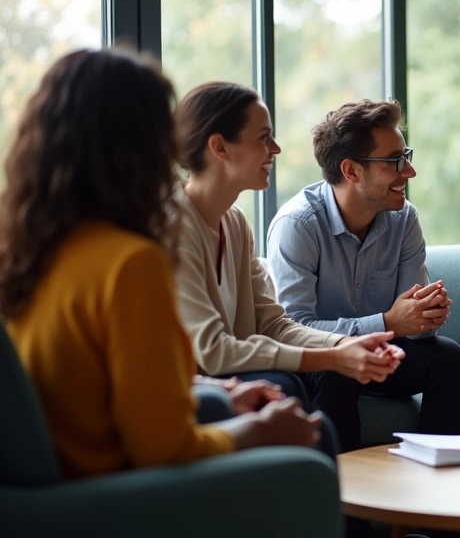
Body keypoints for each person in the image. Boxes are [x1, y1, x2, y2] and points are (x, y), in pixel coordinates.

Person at [0, 48, 321, 481]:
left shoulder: (27, 250)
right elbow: (166, 451)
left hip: (51, 488)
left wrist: (217, 390)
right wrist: (261, 430)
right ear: (141, 145)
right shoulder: (130, 263)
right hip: (109, 497)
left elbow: (98, 390)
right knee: (316, 442)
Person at [172, 81, 406, 451]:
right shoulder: (174, 227)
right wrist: (333, 356)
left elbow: (274, 324)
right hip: (197, 390)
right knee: (291, 388)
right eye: (263, 137)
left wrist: (348, 344)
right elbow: (212, 351)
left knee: (300, 393)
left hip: (233, 378)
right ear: (219, 147)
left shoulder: (234, 223)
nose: (275, 149)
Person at [267, 98, 460, 448]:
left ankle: (441, 481)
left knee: (448, 358)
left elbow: (415, 327)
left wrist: (426, 315)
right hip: (323, 361)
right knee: (337, 367)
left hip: (384, 356)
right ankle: (339, 493)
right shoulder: (297, 225)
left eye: (406, 157)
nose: (409, 172)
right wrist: (389, 322)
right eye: (395, 161)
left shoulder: (404, 219)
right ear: (351, 171)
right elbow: (294, 329)